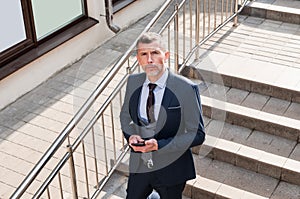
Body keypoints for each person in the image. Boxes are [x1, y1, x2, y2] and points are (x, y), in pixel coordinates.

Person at [120, 32, 205, 199]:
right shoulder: (133, 81)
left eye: (155, 53)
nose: (149, 59)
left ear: (165, 56)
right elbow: (125, 116)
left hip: (171, 169)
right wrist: (130, 136)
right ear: (138, 58)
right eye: (144, 54)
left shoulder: (186, 88)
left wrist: (159, 145)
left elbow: (197, 134)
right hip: (140, 166)